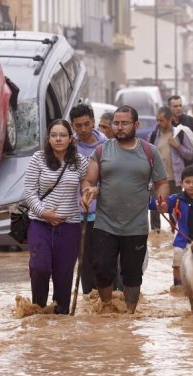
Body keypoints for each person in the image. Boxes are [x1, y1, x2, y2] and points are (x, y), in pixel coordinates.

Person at [81, 105, 169, 313]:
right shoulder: (102, 150)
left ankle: (130, 314)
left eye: (124, 123)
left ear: (136, 125)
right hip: (105, 223)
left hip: (136, 225)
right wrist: (88, 191)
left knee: (132, 274)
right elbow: (88, 180)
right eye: (116, 123)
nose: (119, 127)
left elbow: (161, 182)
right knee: (102, 269)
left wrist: (162, 199)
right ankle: (107, 307)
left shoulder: (149, 152)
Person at [24, 119, 88, 314]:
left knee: (64, 275)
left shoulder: (80, 161)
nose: (58, 139)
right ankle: (39, 311)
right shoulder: (38, 158)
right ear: (48, 138)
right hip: (40, 224)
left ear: (70, 139)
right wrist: (45, 213)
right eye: (54, 135)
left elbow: (88, 184)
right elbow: (29, 192)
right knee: (40, 268)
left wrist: (86, 195)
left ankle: (60, 320)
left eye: (62, 135)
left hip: (70, 227)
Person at [151, 165, 193, 290]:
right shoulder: (176, 199)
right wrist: (159, 205)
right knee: (178, 262)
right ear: (181, 183)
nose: (191, 185)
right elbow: (164, 206)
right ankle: (178, 286)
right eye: (187, 182)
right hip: (182, 241)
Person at [69, 103, 106, 294]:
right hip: (77, 214)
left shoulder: (106, 146)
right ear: (72, 125)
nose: (83, 129)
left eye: (86, 124)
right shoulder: (68, 147)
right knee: (84, 262)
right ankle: (88, 299)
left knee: (103, 261)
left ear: (93, 122)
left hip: (103, 214)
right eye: (78, 126)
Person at [148, 106, 193, 231]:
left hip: (175, 179)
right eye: (157, 120)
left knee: (175, 209)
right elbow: (147, 157)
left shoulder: (179, 134)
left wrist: (178, 146)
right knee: (154, 208)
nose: (158, 123)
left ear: (170, 119)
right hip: (157, 179)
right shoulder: (153, 135)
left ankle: (175, 234)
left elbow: (190, 154)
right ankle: (156, 238)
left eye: (161, 120)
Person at [168, 95, 193, 164]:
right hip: (172, 164)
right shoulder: (166, 123)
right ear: (169, 107)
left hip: (189, 163)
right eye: (175, 106)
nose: (178, 108)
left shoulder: (191, 121)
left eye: (180, 105)